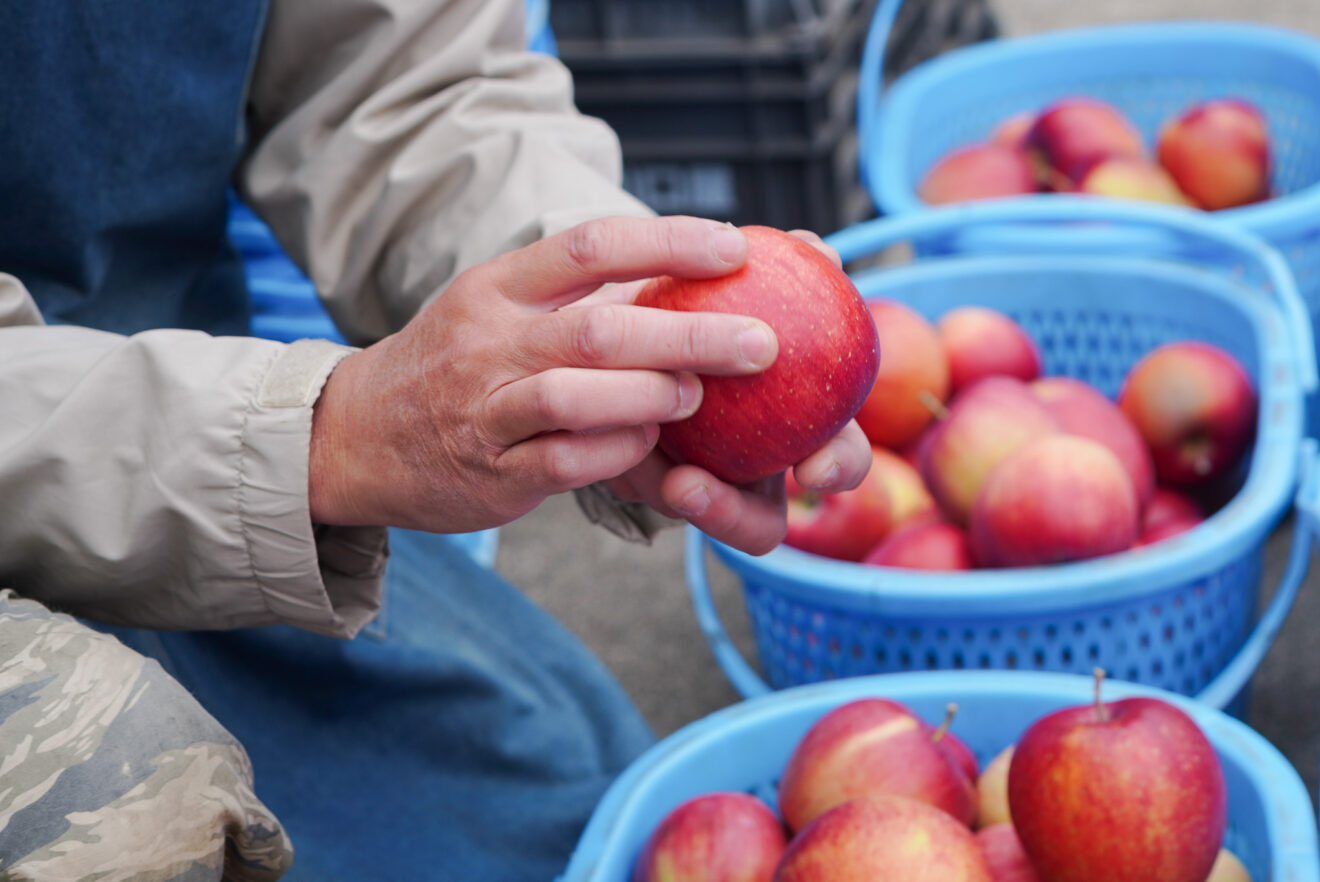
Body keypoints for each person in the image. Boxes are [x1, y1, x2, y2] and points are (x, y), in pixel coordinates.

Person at [0, 1, 871, 879]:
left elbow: (408, 83)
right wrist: (321, 438)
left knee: (579, 805)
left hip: (180, 404)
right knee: (118, 818)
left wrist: (601, 312)